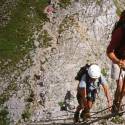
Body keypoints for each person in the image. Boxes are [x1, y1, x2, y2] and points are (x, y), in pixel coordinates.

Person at [106, 10, 125, 113]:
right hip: (117, 59)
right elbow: (109, 51)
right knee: (121, 87)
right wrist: (118, 61)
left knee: (124, 90)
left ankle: (117, 102)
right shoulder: (120, 32)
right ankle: (116, 103)